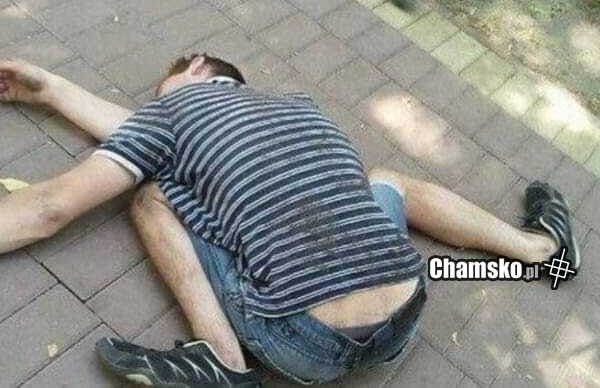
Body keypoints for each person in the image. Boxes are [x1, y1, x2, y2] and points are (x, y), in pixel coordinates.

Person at [0, 56, 579, 388]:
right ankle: (539, 249)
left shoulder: (170, 114)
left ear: (194, 67)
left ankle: (221, 361)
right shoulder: (298, 105)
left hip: (303, 343)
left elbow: (50, 208)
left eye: (158, 90)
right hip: (406, 319)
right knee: (386, 180)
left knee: (152, 195)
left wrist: (58, 92)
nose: (152, 101)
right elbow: (145, 131)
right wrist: (53, 90)